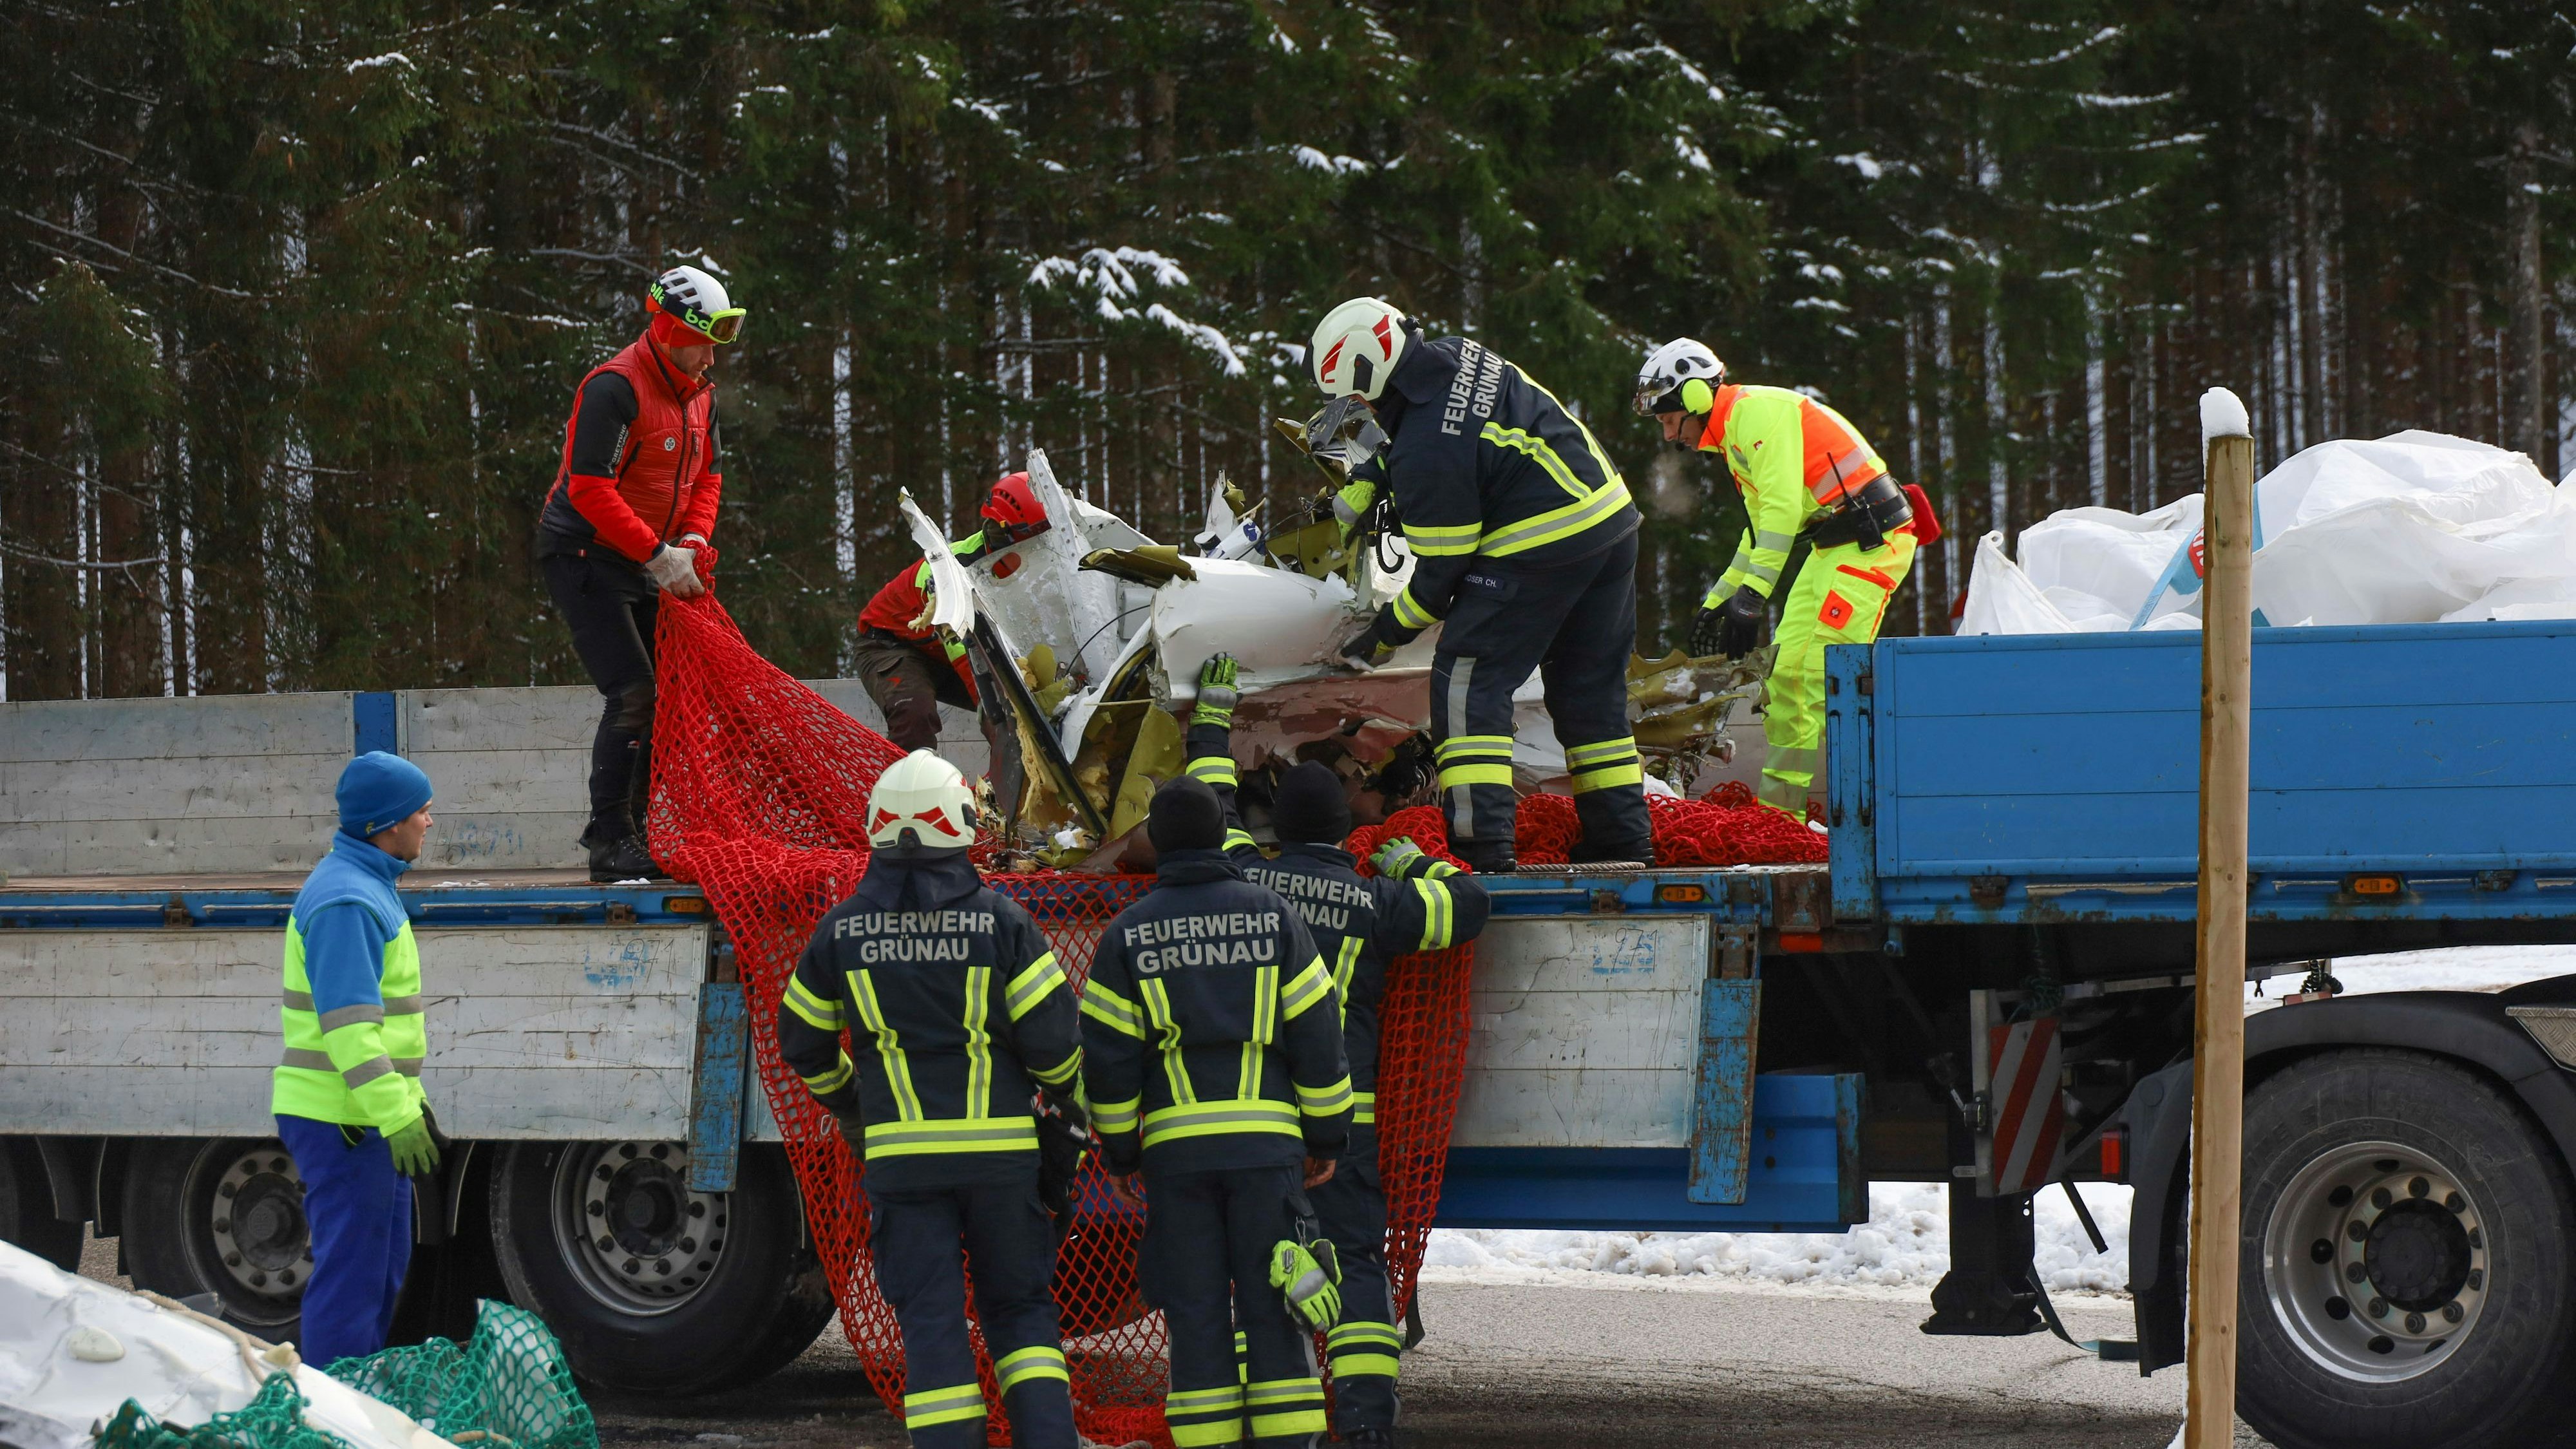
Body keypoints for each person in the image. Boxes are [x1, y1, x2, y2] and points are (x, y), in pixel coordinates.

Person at [1181, 655, 1491, 1447]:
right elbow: (1467, 906)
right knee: (1353, 1263)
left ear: (1276, 829)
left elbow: (1208, 810)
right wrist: (1409, 859)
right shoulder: (1375, 900)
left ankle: (1268, 1418)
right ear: (1345, 832)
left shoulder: (1245, 879)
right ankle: (1364, 1421)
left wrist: (1214, 715)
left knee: (1259, 1264)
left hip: (1260, 1120)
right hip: (1347, 1122)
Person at [774, 750, 1083, 1449]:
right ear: (963, 826)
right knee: (1022, 1315)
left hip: (903, 1166)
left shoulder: (840, 931)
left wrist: (853, 1106)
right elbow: (1056, 1048)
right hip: (1003, 1165)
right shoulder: (1004, 924)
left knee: (932, 1323)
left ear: (878, 828)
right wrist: (1071, 1114)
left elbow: (802, 1044)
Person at [1312, 297, 1651, 873]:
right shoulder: (1457, 356)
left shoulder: (1426, 452)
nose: (1360, 407)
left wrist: (1388, 631)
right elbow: (1454, 426)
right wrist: (1378, 469)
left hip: (1542, 542)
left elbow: (1442, 574)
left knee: (1467, 680)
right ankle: (1622, 840)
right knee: (1589, 690)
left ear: (1369, 373)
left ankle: (1481, 848)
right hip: (1609, 525)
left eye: (1357, 396)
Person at [1080, 776, 1352, 1449]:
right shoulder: (1272, 915)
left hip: (1177, 1160)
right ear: (1218, 837)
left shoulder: (1126, 934)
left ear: (1161, 845)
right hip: (1267, 1154)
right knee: (1274, 1310)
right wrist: (1325, 1136)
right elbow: (1318, 1036)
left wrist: (1119, 1153)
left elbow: (1108, 1063)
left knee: (1196, 1316)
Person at [1636, 338, 1929, 819]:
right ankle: (1779, 819)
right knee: (1787, 677)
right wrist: (1719, 600)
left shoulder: (1757, 416)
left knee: (1824, 676)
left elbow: (1782, 511)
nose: (1669, 436)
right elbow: (1759, 534)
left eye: (1669, 420)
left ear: (1694, 400)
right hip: (1835, 546)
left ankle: (1878, 814)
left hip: (1871, 543)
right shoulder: (1736, 433)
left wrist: (1751, 599)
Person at [535, 264, 744, 882]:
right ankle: (611, 846)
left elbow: (708, 476)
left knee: (671, 697)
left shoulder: (699, 393)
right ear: (670, 329)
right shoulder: (614, 388)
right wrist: (656, 554)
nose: (711, 357)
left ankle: (633, 831)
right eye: (703, 341)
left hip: (649, 555)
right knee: (634, 692)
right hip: (583, 554)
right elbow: (589, 487)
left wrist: (693, 538)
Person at [273, 750, 443, 1366]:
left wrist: (406, 1105)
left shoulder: (366, 885)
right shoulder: (349, 900)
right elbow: (350, 1031)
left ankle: (352, 1409)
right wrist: (395, 1114)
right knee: (353, 1285)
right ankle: (334, 1418)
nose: (429, 822)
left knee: (375, 1276)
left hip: (358, 1118)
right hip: (345, 1122)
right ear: (386, 824)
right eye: (420, 812)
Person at [855, 473, 1053, 753]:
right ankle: (909, 791)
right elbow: (965, 654)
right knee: (916, 715)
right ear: (1004, 535)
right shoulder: (947, 575)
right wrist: (1004, 727)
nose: (1039, 550)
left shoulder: (1032, 564)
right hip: (890, 645)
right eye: (1031, 540)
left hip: (943, 653)